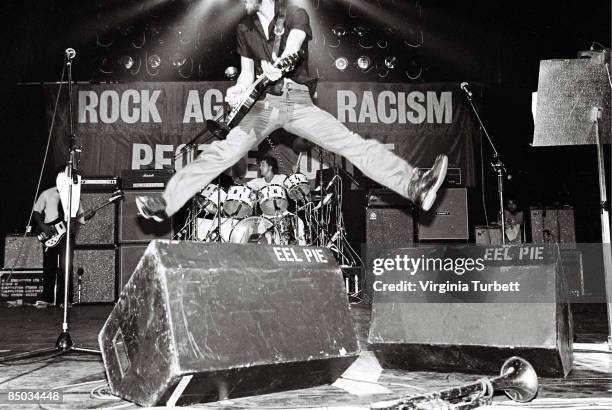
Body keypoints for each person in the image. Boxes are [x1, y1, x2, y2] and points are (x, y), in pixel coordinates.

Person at [136, 0, 448, 222]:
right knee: (224, 152)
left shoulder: (296, 12)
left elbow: (295, 46)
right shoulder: (245, 28)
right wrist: (236, 90)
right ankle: (166, 203)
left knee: (351, 143)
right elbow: (246, 76)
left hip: (298, 102)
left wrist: (281, 64)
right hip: (262, 107)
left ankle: (414, 186)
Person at [32, 170, 92, 306]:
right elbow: (36, 212)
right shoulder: (47, 193)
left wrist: (89, 215)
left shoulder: (74, 197)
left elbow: (80, 217)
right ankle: (47, 298)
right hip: (50, 233)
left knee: (67, 266)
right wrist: (44, 227)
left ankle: (64, 299)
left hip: (67, 234)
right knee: (49, 265)